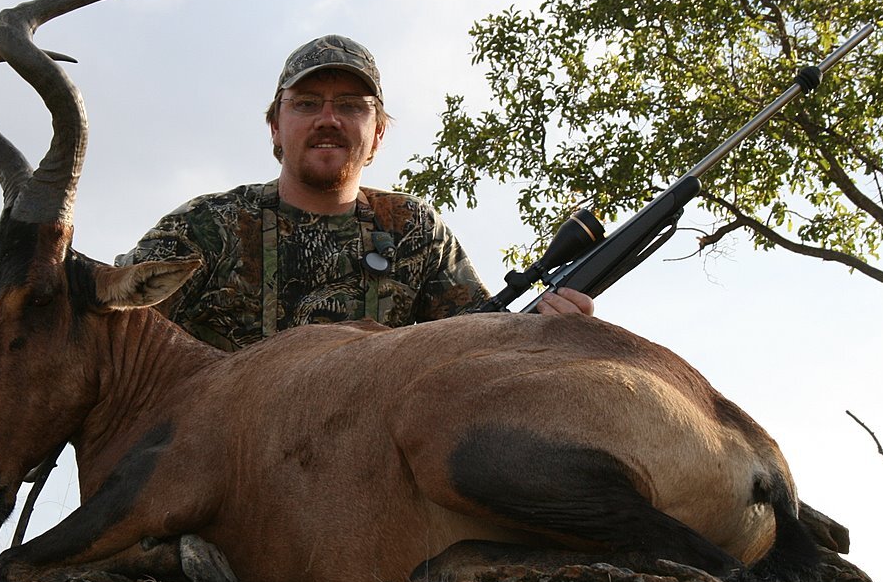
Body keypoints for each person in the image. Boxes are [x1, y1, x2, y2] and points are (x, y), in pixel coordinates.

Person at [116, 34, 592, 352]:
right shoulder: (205, 226)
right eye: (306, 104)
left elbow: (482, 349)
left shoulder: (414, 231)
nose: (328, 119)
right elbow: (108, 326)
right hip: (222, 476)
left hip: (369, 481)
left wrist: (552, 332)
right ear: (276, 127)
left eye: (350, 105)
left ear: (378, 134)